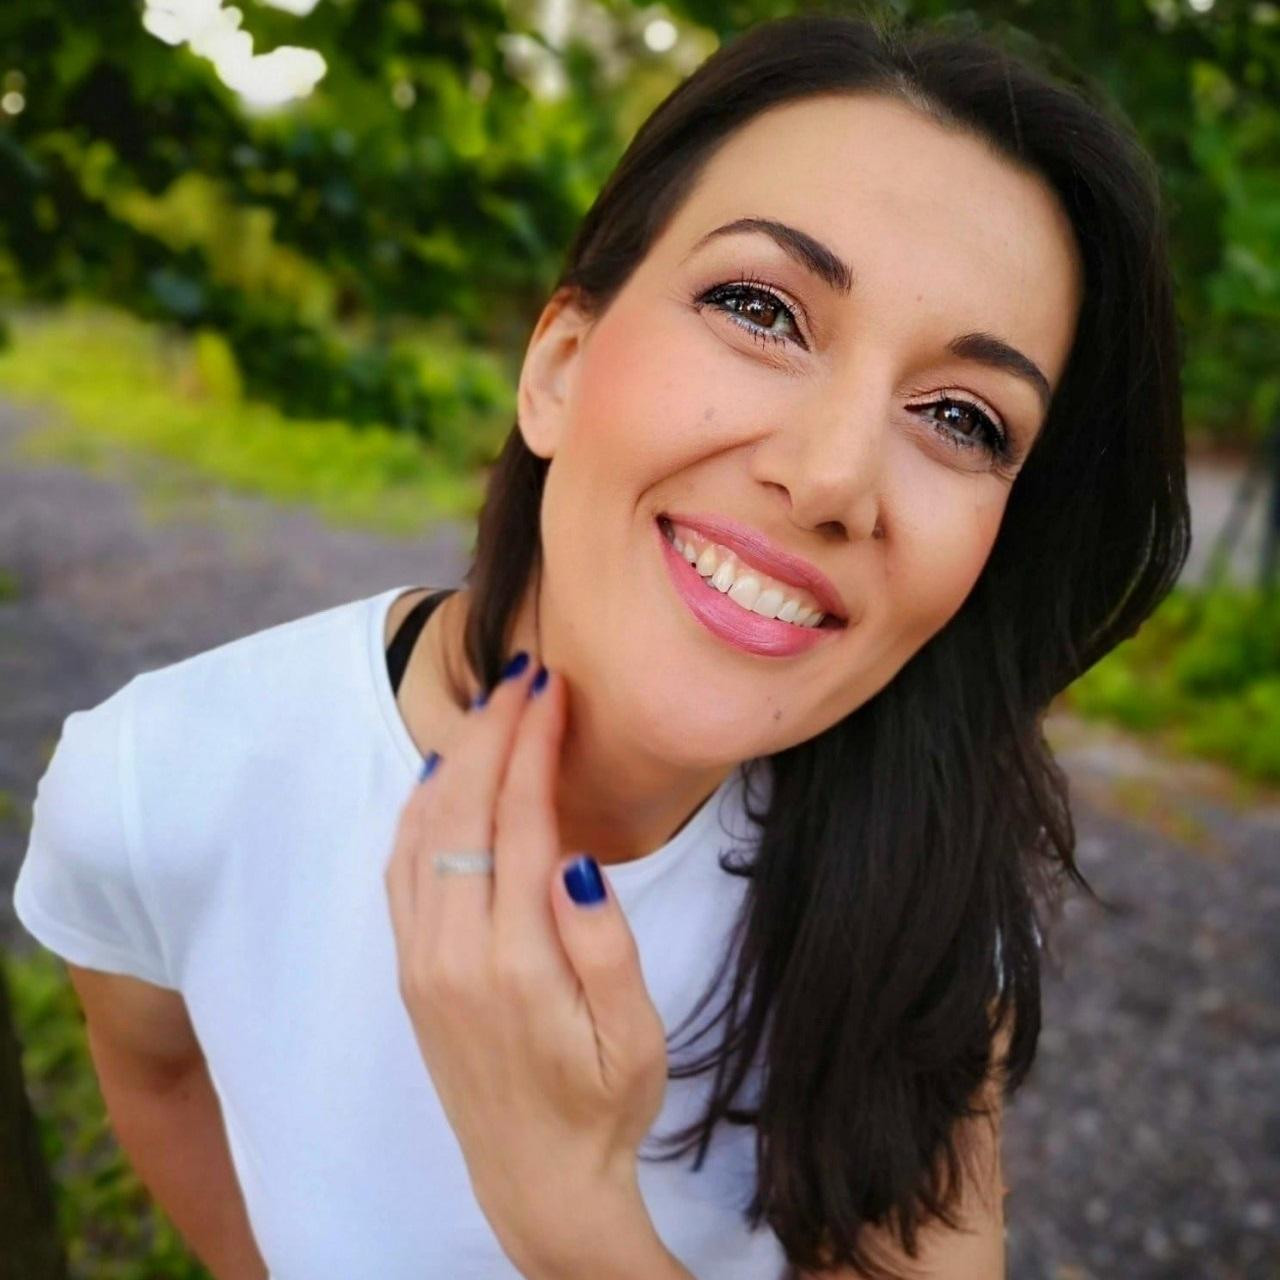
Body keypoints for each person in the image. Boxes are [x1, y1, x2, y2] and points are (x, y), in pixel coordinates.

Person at [12, 11, 1189, 1280]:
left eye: (961, 418)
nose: (831, 477)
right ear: (560, 365)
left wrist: (570, 1211)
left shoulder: (923, 878)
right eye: (759, 308)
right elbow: (158, 1075)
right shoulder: (157, 780)